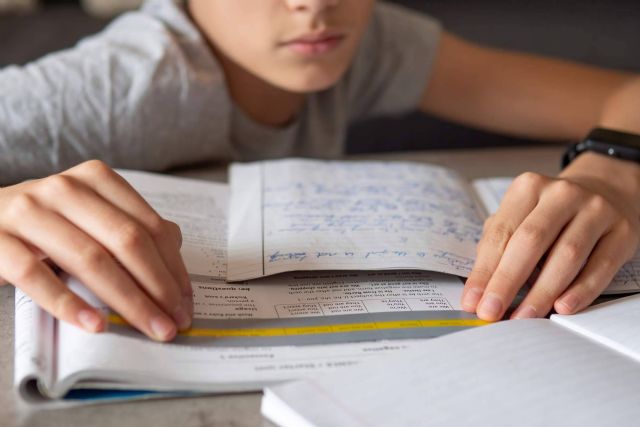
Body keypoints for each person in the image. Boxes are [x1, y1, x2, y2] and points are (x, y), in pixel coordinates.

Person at [1, 0, 638, 341]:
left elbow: (622, 95)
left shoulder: (367, 41)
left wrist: (611, 168)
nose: (315, 5)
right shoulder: (120, 86)